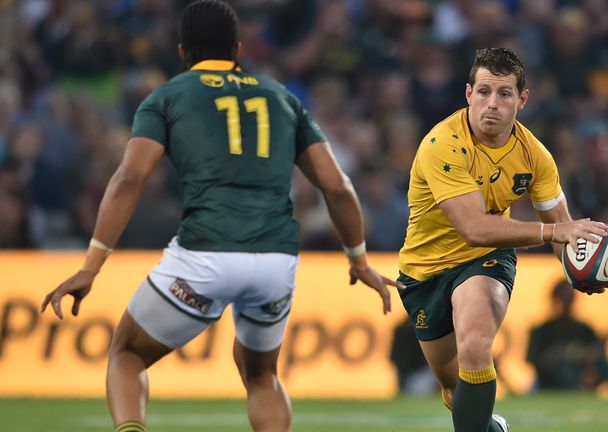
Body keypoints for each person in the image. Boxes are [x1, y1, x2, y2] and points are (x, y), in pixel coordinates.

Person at [39, 1, 399, 431]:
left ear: (180, 50)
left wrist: (90, 266)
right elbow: (337, 186)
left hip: (204, 256)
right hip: (275, 262)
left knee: (128, 354)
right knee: (262, 375)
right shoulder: (281, 96)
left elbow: (129, 179)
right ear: (238, 48)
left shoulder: (167, 97)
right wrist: (358, 261)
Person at [396, 47, 608, 432]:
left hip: (487, 259)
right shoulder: (441, 146)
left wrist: (580, 267)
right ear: (468, 94)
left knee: (476, 347)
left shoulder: (536, 156)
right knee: (453, 387)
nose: (492, 104)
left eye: (504, 94)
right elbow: (474, 227)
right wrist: (552, 233)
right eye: (483, 92)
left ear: (522, 99)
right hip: (423, 272)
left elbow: (562, 227)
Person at [526, 279, 608, 392]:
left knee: (600, 364)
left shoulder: (585, 329)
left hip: (583, 376)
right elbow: (533, 359)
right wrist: (556, 355)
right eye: (563, 299)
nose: (566, 303)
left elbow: (596, 355)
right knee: (564, 367)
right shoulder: (542, 330)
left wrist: (585, 358)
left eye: (569, 299)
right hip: (551, 381)